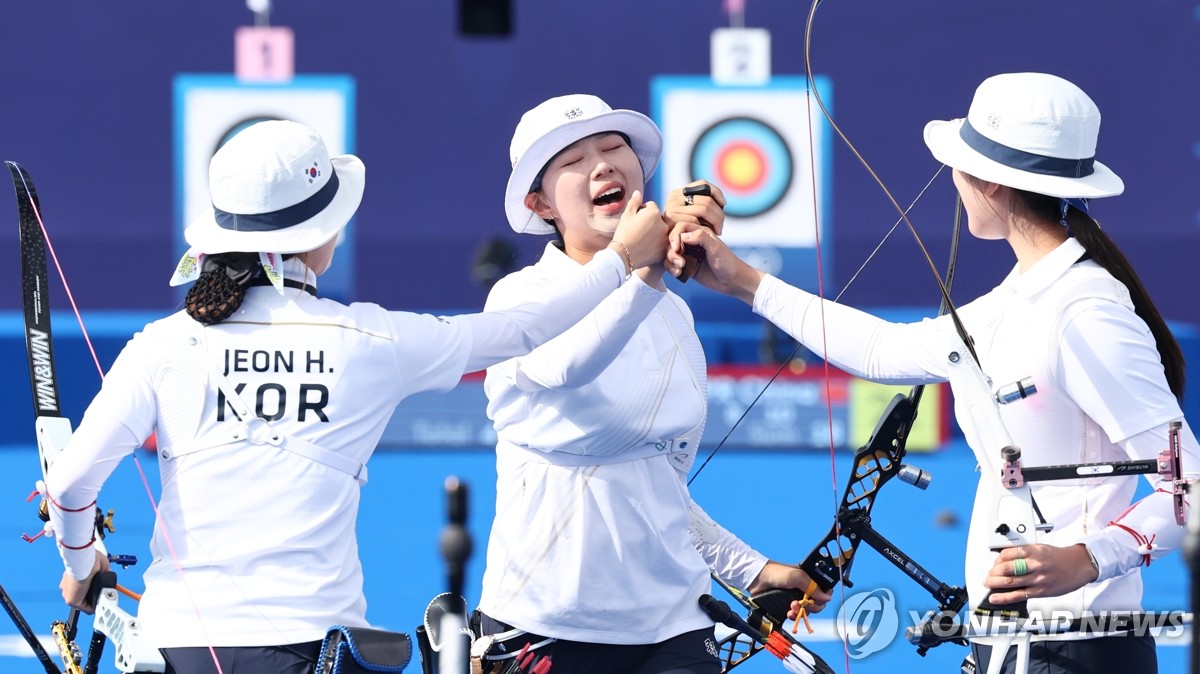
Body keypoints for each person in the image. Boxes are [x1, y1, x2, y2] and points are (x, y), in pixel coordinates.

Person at [42, 119, 670, 674]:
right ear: (319, 234)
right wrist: (620, 258)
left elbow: (70, 486)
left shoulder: (163, 343)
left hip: (172, 646)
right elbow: (524, 328)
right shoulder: (370, 339)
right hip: (313, 650)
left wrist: (81, 562)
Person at [669, 72, 1199, 673]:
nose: (952, 181)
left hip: (1077, 648)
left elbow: (1191, 486)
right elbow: (880, 350)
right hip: (1011, 646)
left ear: (990, 182)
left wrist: (1089, 557)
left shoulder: (1084, 311)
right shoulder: (1017, 300)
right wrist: (737, 280)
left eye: (960, 164)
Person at [473, 94, 832, 674]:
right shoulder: (519, 297)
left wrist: (751, 570)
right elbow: (569, 365)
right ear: (540, 203)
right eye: (573, 159)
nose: (603, 165)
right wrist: (643, 272)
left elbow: (654, 481)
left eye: (614, 148)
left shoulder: (669, 309)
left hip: (676, 622)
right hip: (546, 620)